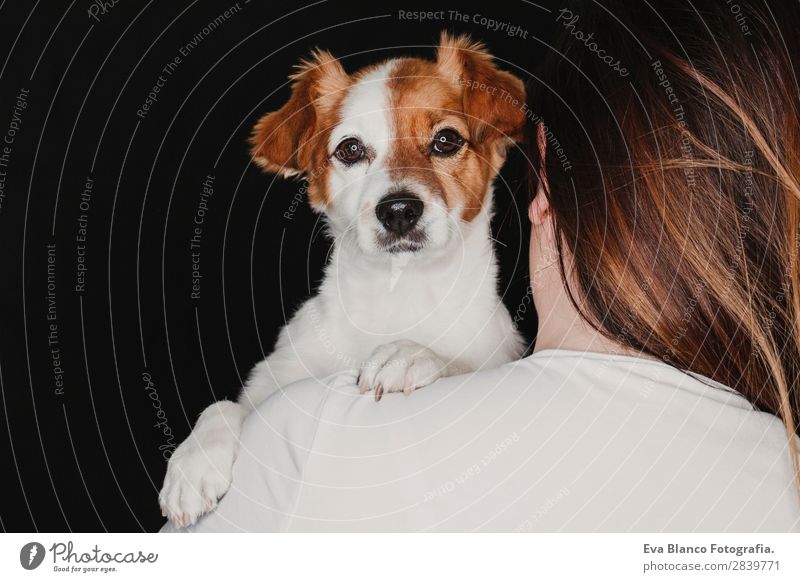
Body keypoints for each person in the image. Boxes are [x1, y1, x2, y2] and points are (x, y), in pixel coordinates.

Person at [162, 0, 800, 532]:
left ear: (525, 173)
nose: (399, 190)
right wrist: (223, 422)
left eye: (443, 142)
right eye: (353, 150)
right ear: (318, 178)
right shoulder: (778, 471)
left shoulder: (312, 435)